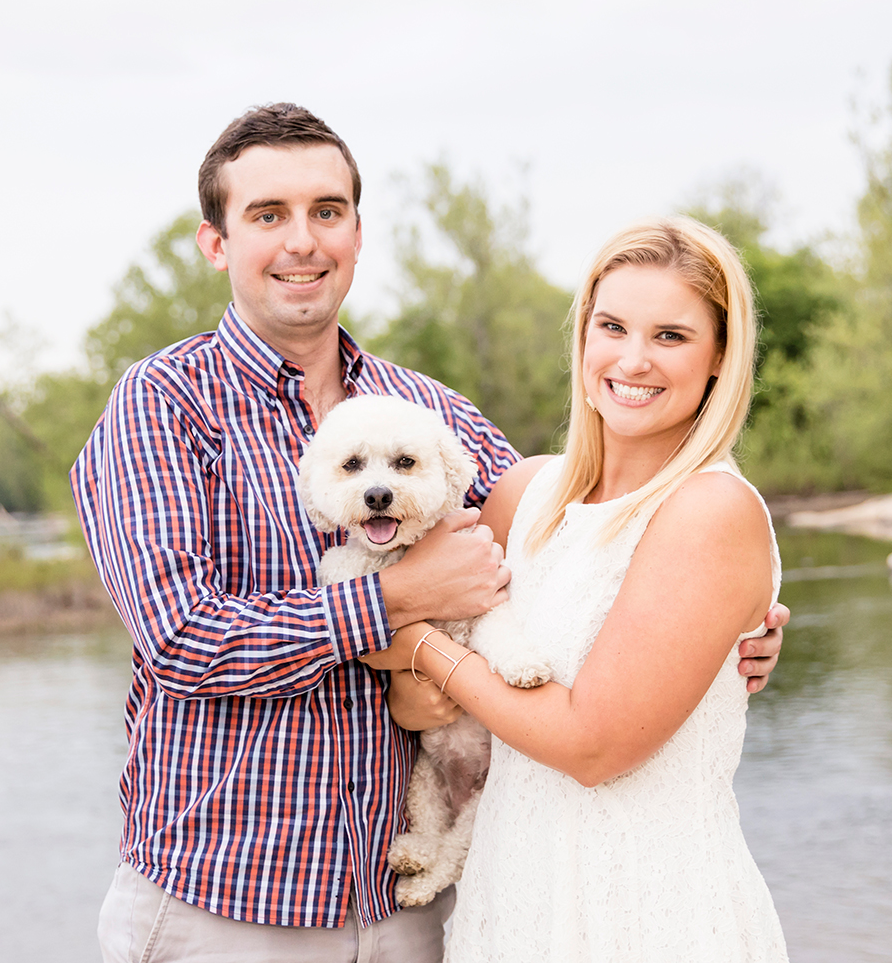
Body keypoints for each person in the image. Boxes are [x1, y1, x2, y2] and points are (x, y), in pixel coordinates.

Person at [71, 103, 788, 962]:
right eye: (268, 216)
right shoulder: (161, 406)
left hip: (414, 908)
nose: (302, 240)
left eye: (327, 212)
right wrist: (396, 604)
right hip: (229, 903)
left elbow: (578, 538)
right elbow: (181, 638)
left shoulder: (430, 411)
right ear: (216, 242)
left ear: (358, 234)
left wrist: (737, 623)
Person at [362, 217, 789, 961]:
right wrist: (408, 680)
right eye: (612, 326)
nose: (632, 359)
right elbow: (420, 617)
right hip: (513, 898)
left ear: (721, 355)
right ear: (583, 335)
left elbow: (593, 747)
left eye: (671, 336)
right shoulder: (521, 493)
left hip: (649, 910)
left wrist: (422, 649)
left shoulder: (711, 510)